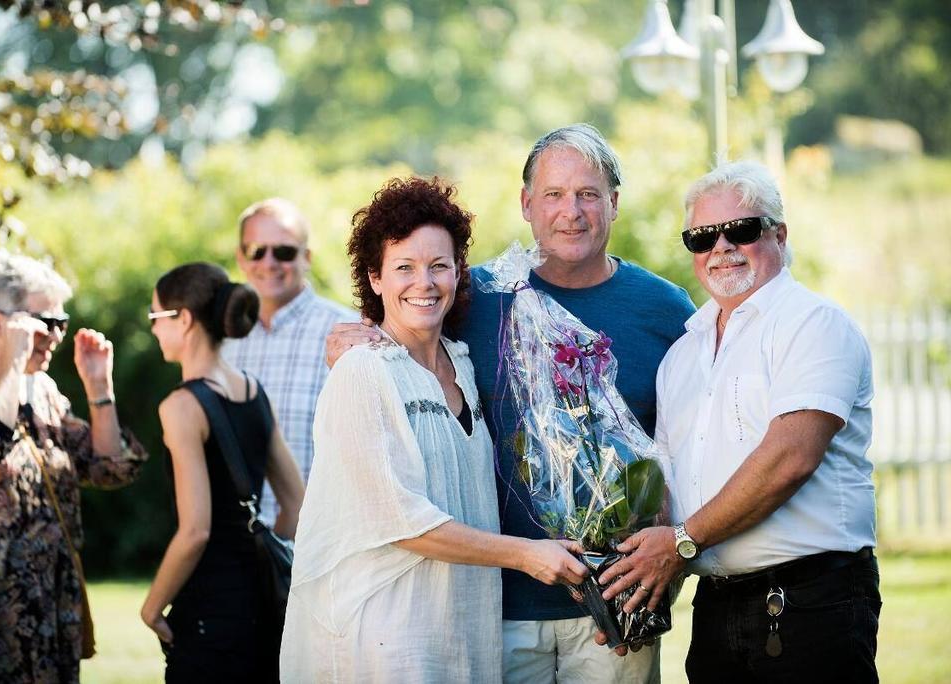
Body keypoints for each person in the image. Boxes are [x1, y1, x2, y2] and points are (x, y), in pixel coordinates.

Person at [326, 125, 695, 684]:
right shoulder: (473, 296)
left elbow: (690, 444)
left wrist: (673, 557)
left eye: (588, 194)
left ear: (614, 203)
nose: (570, 211)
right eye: (553, 194)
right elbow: (401, 328)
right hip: (493, 606)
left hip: (615, 606)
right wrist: (348, 340)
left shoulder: (666, 310)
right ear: (526, 204)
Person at [281, 177, 589, 683]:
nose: (423, 283)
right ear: (375, 279)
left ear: (457, 272)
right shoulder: (363, 371)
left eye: (438, 266)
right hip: (383, 645)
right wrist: (527, 555)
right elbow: (401, 520)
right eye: (403, 267)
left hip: (460, 635)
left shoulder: (463, 364)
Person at [600, 161, 880, 682]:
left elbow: (790, 459)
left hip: (809, 601)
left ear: (779, 233)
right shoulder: (683, 354)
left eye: (742, 230)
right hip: (716, 606)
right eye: (703, 237)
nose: (722, 248)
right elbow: (667, 487)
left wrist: (682, 542)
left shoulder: (814, 325)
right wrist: (632, 588)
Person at [0, 249, 147, 683]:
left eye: (61, 324)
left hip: (48, 609)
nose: (57, 337)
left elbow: (110, 467)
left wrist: (99, 388)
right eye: (45, 324)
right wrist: (12, 366)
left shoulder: (43, 390)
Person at [140, 262, 305, 683]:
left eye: (156, 317)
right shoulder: (254, 392)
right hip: (264, 604)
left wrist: (153, 607)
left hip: (209, 610)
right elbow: (296, 506)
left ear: (185, 320)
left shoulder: (181, 406)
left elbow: (195, 531)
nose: (154, 330)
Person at [222, 198, 357, 528]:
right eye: (256, 250)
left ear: (306, 257)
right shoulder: (222, 341)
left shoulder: (348, 334)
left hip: (320, 545)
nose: (268, 262)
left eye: (283, 251)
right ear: (241, 257)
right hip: (238, 543)